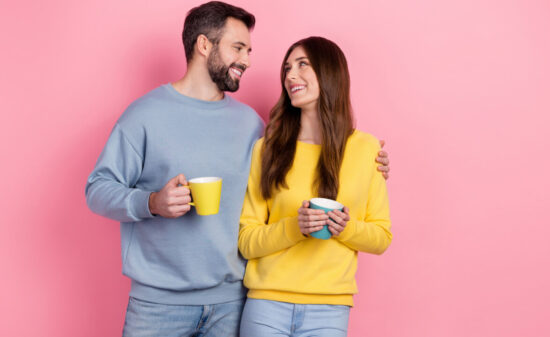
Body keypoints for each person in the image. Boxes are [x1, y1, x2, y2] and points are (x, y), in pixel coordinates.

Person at [85, 2, 390, 337]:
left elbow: (298, 163)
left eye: (249, 50)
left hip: (231, 304)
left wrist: (367, 161)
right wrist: (152, 202)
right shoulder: (144, 115)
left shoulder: (251, 126)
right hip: (157, 304)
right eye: (238, 48)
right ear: (204, 45)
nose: (247, 60)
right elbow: (98, 188)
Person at [238, 36, 392, 337]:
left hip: (330, 310)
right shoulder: (266, 149)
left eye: (302, 65)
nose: (290, 76)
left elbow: (381, 237)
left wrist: (344, 228)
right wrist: (297, 227)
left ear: (329, 72)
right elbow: (247, 240)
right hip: (267, 305)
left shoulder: (367, 149)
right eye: (287, 68)